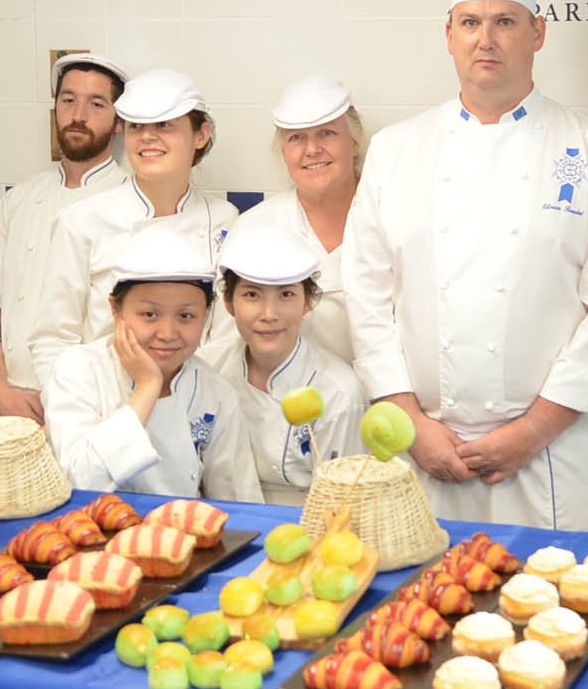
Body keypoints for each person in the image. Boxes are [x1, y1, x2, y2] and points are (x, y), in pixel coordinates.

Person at [343, 0, 588, 531]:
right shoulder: (397, 151)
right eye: (471, 22)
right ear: (448, 35)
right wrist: (411, 423)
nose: (487, 40)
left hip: (551, 456)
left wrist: (533, 431)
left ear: (538, 32)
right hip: (424, 450)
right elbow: (366, 298)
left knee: (565, 616)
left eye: (506, 22)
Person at [29, 67, 238, 387]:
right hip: (103, 408)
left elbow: (225, 341)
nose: (148, 137)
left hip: (195, 409)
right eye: (136, 126)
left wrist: (192, 407)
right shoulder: (81, 220)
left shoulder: (225, 221)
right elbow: (52, 341)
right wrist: (72, 416)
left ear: (201, 134)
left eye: (165, 125)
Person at [0, 52, 127, 423]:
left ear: (119, 121)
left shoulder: (135, 206)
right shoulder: (18, 200)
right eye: (68, 100)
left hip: (94, 415)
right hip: (8, 410)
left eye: (96, 103)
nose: (78, 115)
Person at [40, 232, 260, 499]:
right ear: (116, 310)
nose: (167, 333)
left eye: (186, 316)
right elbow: (81, 480)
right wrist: (148, 387)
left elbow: (238, 501)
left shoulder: (216, 393)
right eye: (149, 314)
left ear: (206, 316)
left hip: (181, 534)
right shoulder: (78, 370)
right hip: (92, 531)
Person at [210, 221, 366, 506]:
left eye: (286, 294)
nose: (269, 314)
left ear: (309, 302)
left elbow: (344, 505)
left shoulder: (340, 392)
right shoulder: (209, 371)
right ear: (229, 303)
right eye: (252, 295)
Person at [232, 75, 363, 366]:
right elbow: (233, 340)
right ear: (283, 152)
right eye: (297, 138)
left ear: (354, 143)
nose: (312, 149)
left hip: (388, 402)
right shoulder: (256, 227)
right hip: (288, 402)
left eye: (327, 133)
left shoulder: (391, 216)